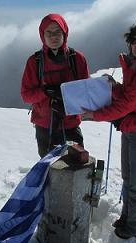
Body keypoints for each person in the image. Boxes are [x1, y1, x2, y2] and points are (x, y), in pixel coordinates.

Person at [83, 22, 136, 239]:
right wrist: (115, 86)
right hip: (132, 128)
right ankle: (128, 220)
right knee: (129, 180)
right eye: (133, 41)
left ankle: (135, 230)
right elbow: (131, 97)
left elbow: (127, 105)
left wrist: (94, 115)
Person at [21, 13, 90, 158]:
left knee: (76, 168)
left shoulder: (77, 59)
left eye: (58, 32)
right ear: (43, 35)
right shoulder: (35, 62)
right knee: (49, 170)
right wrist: (45, 92)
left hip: (70, 123)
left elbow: (86, 92)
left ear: (64, 33)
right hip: (45, 126)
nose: (54, 37)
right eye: (49, 33)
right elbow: (26, 95)